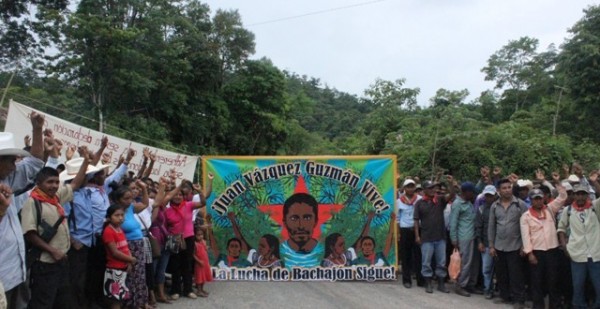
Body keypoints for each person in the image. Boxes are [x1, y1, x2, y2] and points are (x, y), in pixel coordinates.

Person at [20, 149, 92, 308]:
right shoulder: (32, 203)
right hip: (45, 263)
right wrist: (52, 251)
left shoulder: (55, 197)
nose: (53, 185)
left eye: (56, 182)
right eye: (49, 182)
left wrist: (86, 162)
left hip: (61, 261)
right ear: (39, 184)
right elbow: (30, 234)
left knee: (62, 300)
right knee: (43, 301)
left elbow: (75, 184)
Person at [1, 113, 45, 309]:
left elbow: (35, 162)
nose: (15, 165)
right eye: (11, 160)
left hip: (16, 271)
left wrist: (37, 129)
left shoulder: (7, 179)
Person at [520, 185, 567, 309]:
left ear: (544, 198)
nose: (538, 201)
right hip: (537, 253)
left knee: (553, 281)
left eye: (540, 198)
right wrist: (529, 254)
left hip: (552, 251)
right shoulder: (525, 216)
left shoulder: (550, 209)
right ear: (531, 200)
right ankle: (538, 306)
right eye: (535, 199)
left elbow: (563, 197)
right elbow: (526, 237)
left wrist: (556, 182)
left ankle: (555, 305)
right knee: (537, 282)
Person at [109, 182, 151, 309]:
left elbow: (145, 204)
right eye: (125, 198)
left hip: (138, 244)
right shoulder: (116, 213)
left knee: (140, 275)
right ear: (118, 199)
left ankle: (140, 302)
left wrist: (144, 188)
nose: (129, 201)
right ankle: (130, 304)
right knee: (130, 277)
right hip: (128, 246)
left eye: (130, 198)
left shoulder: (131, 208)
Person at [557, 184, 600, 309]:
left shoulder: (595, 207)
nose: (580, 197)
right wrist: (564, 246)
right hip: (577, 254)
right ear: (574, 195)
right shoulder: (568, 210)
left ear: (587, 195)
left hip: (595, 253)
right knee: (578, 285)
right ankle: (579, 305)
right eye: (578, 194)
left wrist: (594, 182)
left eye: (583, 194)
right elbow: (561, 228)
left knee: (598, 284)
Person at [488, 177, 528, 308]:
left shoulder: (520, 204)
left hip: (515, 246)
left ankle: (519, 300)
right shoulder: (494, 206)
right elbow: (491, 227)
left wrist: (524, 245)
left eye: (509, 187)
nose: (507, 190)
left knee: (516, 274)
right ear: (499, 191)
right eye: (504, 188)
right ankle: (505, 296)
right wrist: (491, 245)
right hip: (499, 246)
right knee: (502, 274)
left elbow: (526, 226)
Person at [414, 178, 456, 294]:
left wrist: (451, 184)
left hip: (440, 237)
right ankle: (428, 284)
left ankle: (441, 284)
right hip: (426, 237)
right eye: (430, 188)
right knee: (426, 262)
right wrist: (417, 236)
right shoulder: (419, 203)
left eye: (434, 188)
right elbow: (416, 221)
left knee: (441, 262)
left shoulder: (440, 200)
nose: (433, 190)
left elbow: (451, 195)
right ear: (424, 190)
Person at [163, 184, 205, 300]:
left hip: (188, 238)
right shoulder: (167, 211)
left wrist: (200, 191)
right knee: (175, 265)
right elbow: (165, 225)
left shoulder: (189, 205)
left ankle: (188, 290)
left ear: (183, 196)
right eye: (175, 195)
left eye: (180, 195)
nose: (178, 197)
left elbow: (203, 203)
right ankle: (175, 290)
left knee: (187, 264)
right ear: (171, 197)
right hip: (174, 239)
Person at [449, 182, 481, 297]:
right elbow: (453, 223)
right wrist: (454, 239)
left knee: (472, 263)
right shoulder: (458, 204)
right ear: (465, 192)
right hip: (463, 237)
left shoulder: (468, 202)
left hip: (472, 236)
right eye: (471, 192)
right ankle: (460, 285)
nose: (473, 195)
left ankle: (470, 285)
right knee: (464, 263)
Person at [102, 205, 137, 309]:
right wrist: (131, 259)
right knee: (116, 299)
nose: (120, 217)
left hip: (124, 266)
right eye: (116, 215)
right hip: (114, 268)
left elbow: (125, 247)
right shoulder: (108, 231)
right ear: (109, 217)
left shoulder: (119, 229)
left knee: (121, 297)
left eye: (122, 215)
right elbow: (114, 252)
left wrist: (129, 262)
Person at [279, 192, 324, 268]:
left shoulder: (326, 253)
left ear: (316, 221)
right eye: (294, 218)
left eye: (307, 218)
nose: (301, 226)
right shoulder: (276, 253)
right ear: (285, 222)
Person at [397, 178, 424, 288]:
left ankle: (420, 279)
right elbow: (398, 219)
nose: (410, 188)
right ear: (404, 188)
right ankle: (406, 280)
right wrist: (398, 233)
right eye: (408, 186)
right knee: (405, 256)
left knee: (419, 256)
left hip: (417, 230)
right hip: (405, 230)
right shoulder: (399, 201)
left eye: (412, 186)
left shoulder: (420, 199)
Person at [475, 185, 497, 299]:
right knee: (486, 269)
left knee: (499, 270)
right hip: (486, 243)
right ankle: (488, 289)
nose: (489, 198)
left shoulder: (499, 207)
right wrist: (479, 242)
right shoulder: (481, 209)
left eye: (491, 195)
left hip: (500, 244)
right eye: (487, 195)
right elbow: (478, 227)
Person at [193, 226, 212, 297]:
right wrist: (199, 261)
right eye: (198, 235)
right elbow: (193, 255)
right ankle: (199, 290)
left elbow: (205, 250)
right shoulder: (195, 244)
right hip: (199, 264)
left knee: (204, 277)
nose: (200, 236)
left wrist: (206, 248)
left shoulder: (204, 242)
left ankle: (202, 289)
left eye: (201, 235)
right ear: (195, 235)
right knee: (199, 277)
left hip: (205, 263)